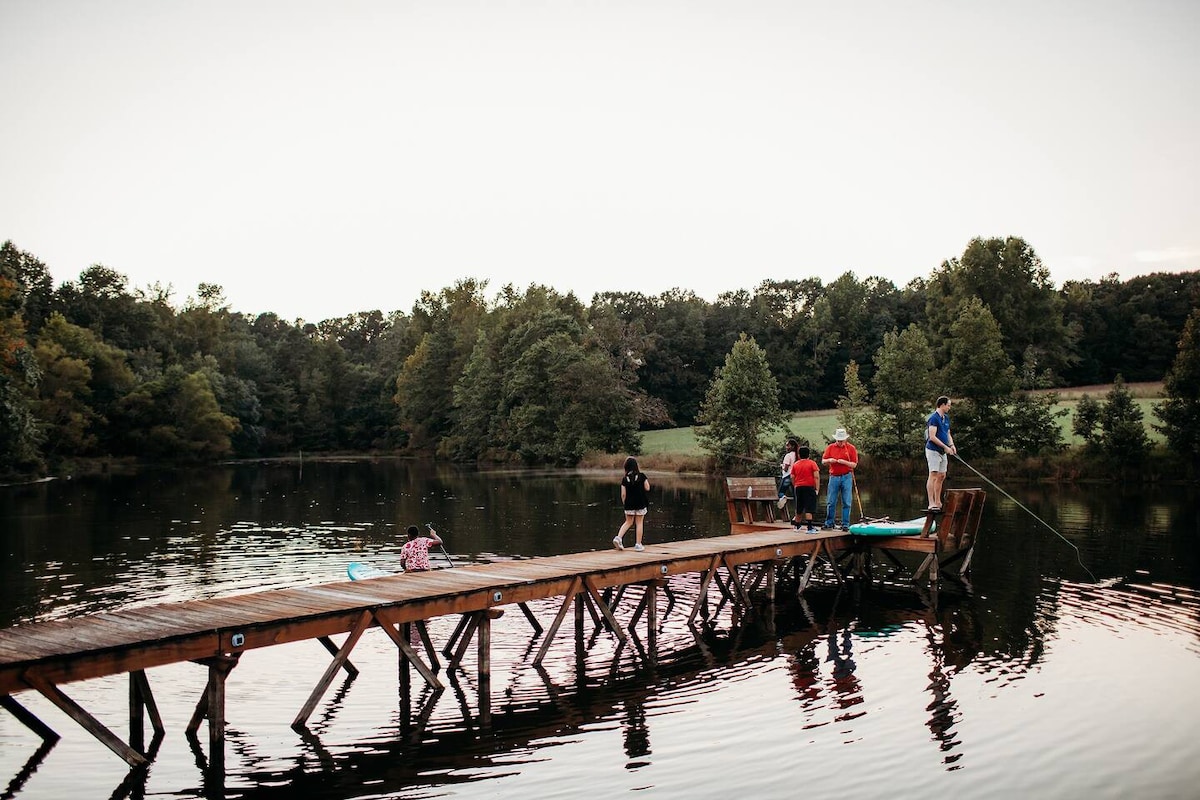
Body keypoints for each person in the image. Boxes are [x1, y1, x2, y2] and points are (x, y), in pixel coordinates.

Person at [821, 428, 858, 531]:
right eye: (838, 440)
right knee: (831, 501)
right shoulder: (830, 448)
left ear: (845, 439)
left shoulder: (851, 448)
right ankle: (829, 523)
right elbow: (823, 461)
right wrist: (830, 460)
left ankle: (845, 524)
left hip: (847, 476)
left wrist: (844, 462)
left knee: (847, 501)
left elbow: (854, 464)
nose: (840, 442)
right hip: (834, 476)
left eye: (842, 440)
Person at [925, 395, 956, 511]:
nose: (949, 407)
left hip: (943, 452)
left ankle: (938, 501)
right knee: (933, 474)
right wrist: (945, 447)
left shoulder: (946, 418)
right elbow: (932, 437)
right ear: (942, 405)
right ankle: (931, 502)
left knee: (942, 475)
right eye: (948, 405)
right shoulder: (933, 418)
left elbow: (947, 434)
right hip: (933, 450)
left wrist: (951, 445)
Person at [614, 456, 650, 552]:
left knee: (628, 522)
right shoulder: (642, 476)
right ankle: (638, 544)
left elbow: (623, 494)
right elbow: (647, 488)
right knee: (639, 523)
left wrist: (624, 503)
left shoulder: (625, 479)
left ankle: (618, 538)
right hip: (640, 503)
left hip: (629, 504)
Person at [789, 444, 821, 532]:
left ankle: (797, 526)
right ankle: (810, 527)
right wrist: (817, 489)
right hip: (809, 487)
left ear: (799, 455)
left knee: (799, 506)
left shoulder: (796, 464)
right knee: (809, 507)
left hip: (798, 487)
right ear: (809, 455)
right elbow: (816, 477)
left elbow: (792, 476)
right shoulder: (812, 463)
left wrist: (795, 484)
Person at [777, 437, 799, 509]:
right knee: (795, 495)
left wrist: (782, 466)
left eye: (788, 445)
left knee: (780, 492)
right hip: (795, 477)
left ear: (792, 446)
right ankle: (797, 511)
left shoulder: (788, 455)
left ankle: (783, 497)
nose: (786, 447)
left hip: (787, 477)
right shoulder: (798, 455)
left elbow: (786, 469)